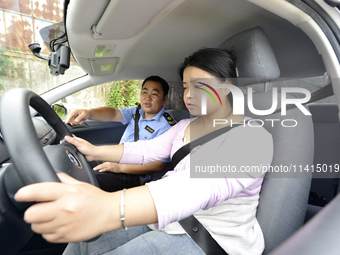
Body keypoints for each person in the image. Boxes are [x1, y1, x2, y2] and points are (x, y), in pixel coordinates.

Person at [15, 48, 273, 255]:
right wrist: (94, 151)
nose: (189, 95)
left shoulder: (252, 139)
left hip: (212, 240)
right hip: (173, 220)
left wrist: (107, 207)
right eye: (185, 86)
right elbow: (148, 149)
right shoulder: (186, 125)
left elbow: (195, 185)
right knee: (82, 243)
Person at [65, 75, 176, 192]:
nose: (147, 98)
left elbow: (159, 164)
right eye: (144, 92)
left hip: (134, 174)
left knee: (86, 182)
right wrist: (88, 113)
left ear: (164, 99)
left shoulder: (167, 126)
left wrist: (119, 168)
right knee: (76, 164)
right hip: (116, 159)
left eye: (154, 94)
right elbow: (113, 113)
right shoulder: (137, 112)